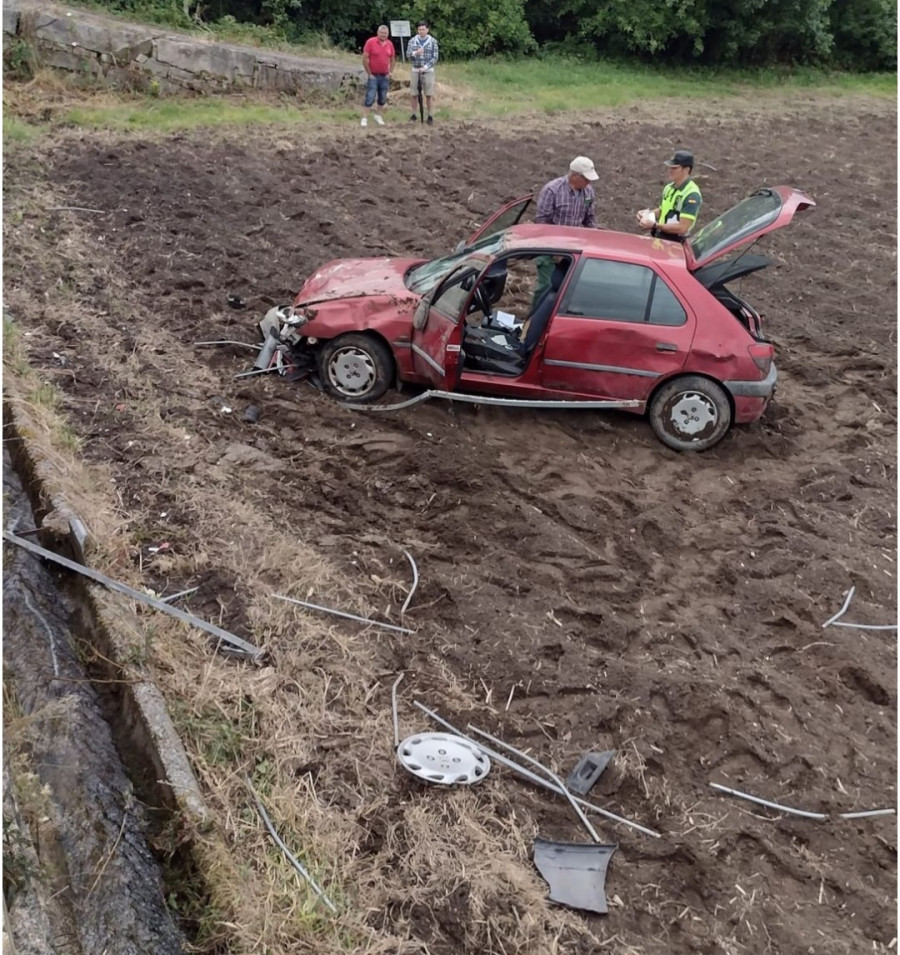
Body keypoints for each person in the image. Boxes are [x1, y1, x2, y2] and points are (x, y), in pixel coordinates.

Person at [531, 156, 598, 304]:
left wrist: (594, 242)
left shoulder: (588, 192)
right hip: (550, 250)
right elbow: (542, 222)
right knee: (546, 289)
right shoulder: (552, 190)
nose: (589, 183)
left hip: (574, 250)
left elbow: (590, 219)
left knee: (567, 291)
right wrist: (555, 250)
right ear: (574, 176)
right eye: (586, 179)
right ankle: (533, 322)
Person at [637, 149, 702, 241]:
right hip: (661, 238)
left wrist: (655, 225)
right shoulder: (669, 188)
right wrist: (648, 214)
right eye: (670, 167)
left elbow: (682, 228)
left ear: (686, 169)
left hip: (675, 243)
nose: (670, 170)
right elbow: (664, 210)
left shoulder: (692, 195)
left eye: (675, 168)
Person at [360, 25, 395, 127]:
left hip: (385, 75)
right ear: (378, 32)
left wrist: (391, 72)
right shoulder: (370, 42)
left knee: (383, 98)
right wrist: (369, 73)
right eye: (382, 33)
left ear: (388, 34)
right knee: (370, 97)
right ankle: (364, 118)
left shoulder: (389, 44)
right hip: (373, 75)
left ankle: (378, 116)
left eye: (385, 33)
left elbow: (393, 59)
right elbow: (365, 58)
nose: (383, 35)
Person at [407, 22, 439, 125]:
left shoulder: (432, 41)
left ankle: (430, 115)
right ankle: (414, 114)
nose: (421, 31)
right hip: (415, 69)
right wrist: (415, 53)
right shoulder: (412, 41)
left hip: (428, 71)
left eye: (423, 29)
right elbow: (408, 55)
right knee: (414, 93)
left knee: (429, 93)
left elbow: (435, 57)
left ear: (427, 30)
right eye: (419, 29)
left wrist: (425, 67)